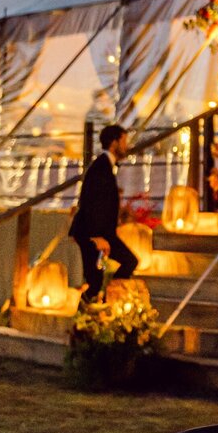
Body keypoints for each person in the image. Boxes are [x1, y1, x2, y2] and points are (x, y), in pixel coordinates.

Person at [69, 124, 137, 304]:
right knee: (95, 280)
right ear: (114, 142)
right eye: (123, 141)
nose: (126, 146)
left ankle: (102, 306)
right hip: (93, 233)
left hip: (101, 232)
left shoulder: (105, 166)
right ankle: (85, 321)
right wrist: (97, 236)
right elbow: (92, 204)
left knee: (103, 275)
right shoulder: (101, 168)